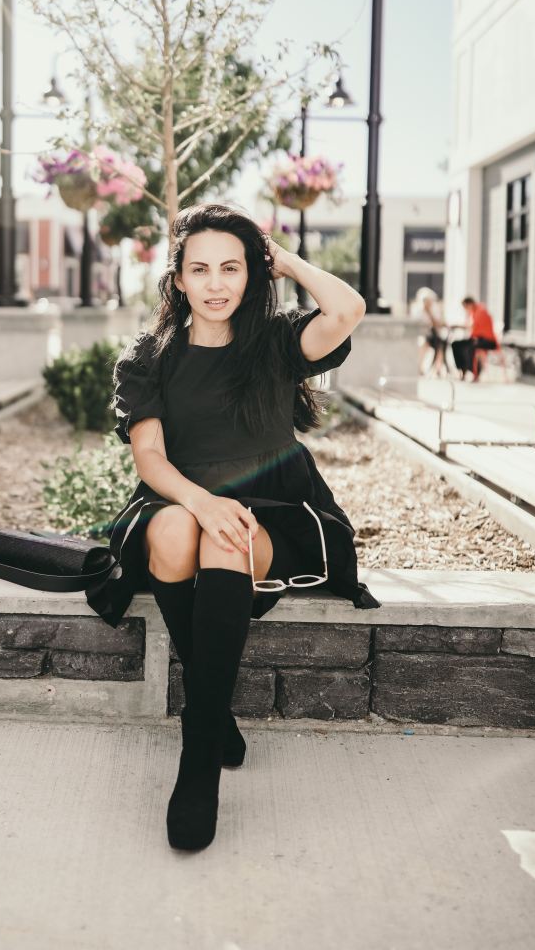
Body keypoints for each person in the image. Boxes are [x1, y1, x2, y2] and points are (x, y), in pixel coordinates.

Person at [86, 203, 381, 852]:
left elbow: (348, 310)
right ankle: (214, 716)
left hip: (271, 513)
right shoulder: (150, 355)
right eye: (200, 269)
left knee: (227, 533)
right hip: (178, 499)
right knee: (175, 533)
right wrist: (202, 500)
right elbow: (150, 459)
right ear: (179, 279)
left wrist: (288, 259)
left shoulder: (276, 344)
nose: (216, 283)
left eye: (231, 267)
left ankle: (198, 762)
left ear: (252, 274)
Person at [451, 296, 497, 381]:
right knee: (455, 344)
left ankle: (475, 373)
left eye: (465, 307)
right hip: (477, 338)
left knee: (470, 347)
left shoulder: (481, 311)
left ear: (469, 304)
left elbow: (474, 327)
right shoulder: (474, 312)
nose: (465, 309)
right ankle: (462, 370)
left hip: (488, 340)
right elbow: (472, 327)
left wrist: (460, 326)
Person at [412, 287, 448, 377]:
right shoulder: (418, 311)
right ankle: (420, 367)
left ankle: (438, 368)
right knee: (424, 345)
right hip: (423, 336)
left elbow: (436, 324)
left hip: (432, 336)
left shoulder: (433, 310)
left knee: (439, 346)